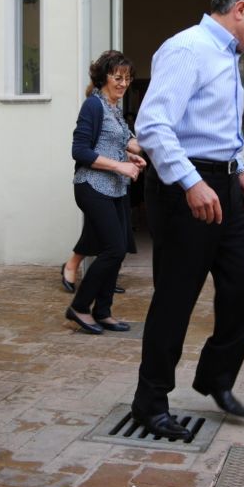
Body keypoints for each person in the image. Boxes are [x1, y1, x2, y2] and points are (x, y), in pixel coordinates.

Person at [131, 0, 244, 440]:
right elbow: (153, 125)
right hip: (183, 190)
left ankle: (215, 375)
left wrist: (243, 169)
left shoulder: (227, 55)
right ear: (241, 10)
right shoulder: (187, 48)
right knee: (176, 299)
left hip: (225, 188)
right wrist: (192, 183)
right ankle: (150, 403)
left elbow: (221, 128)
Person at [65, 50, 146, 335]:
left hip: (114, 189)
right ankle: (80, 306)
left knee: (119, 249)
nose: (123, 83)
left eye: (127, 78)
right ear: (103, 78)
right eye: (117, 77)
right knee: (112, 248)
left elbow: (128, 142)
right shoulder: (93, 106)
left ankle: (103, 311)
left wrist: (138, 155)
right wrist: (121, 166)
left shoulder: (114, 109)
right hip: (92, 186)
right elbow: (80, 151)